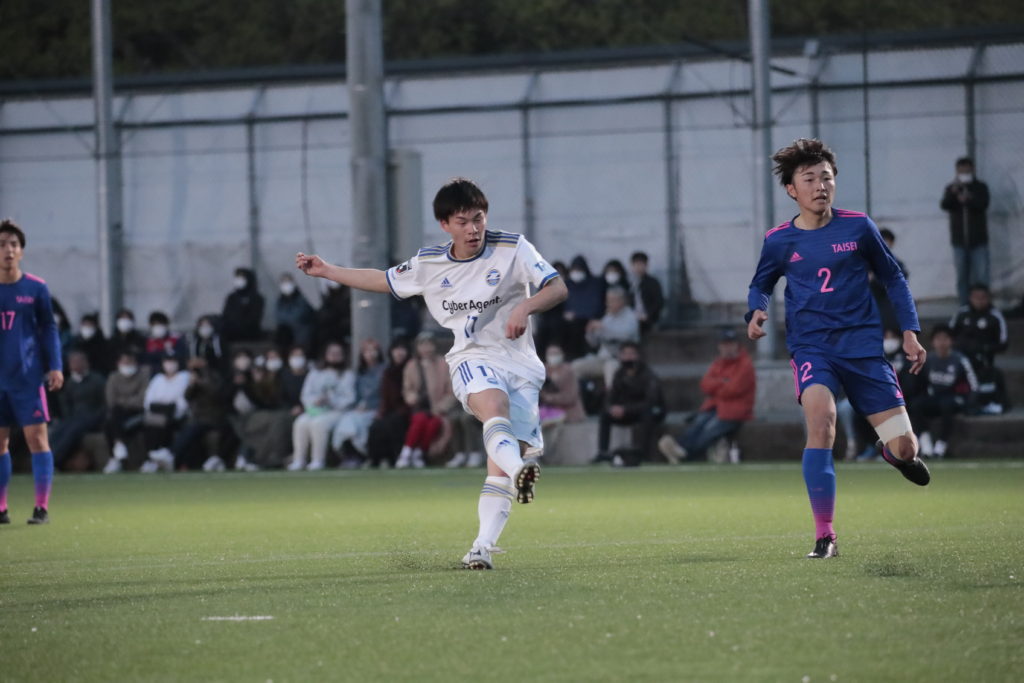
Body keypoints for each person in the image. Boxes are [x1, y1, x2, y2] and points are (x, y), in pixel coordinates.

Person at [296, 176, 567, 569]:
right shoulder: (430, 263)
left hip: (521, 363)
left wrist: (525, 307)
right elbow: (382, 280)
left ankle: (481, 547)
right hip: (472, 356)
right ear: (445, 225)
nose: (473, 229)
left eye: (479, 218)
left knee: (501, 462)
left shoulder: (513, 247)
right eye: (463, 222)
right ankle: (520, 468)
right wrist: (327, 271)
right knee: (495, 409)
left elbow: (556, 288)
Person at [745, 138, 931, 560]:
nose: (820, 186)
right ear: (792, 189)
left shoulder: (858, 227)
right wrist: (755, 310)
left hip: (863, 349)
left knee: (907, 449)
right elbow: (761, 283)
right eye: (809, 179)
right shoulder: (779, 240)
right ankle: (825, 535)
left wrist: (910, 331)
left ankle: (893, 455)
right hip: (813, 347)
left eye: (826, 178)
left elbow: (894, 278)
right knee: (822, 420)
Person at [0, 219, 64, 525]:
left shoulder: (36, 288)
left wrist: (56, 366)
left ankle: (41, 508)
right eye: (2, 245)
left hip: (27, 379)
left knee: (37, 440)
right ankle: (1, 508)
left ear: (22, 251)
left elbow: (49, 328)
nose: (8, 250)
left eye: (14, 244)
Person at [658, 328, 755, 463]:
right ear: (719, 346)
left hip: (735, 411)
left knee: (710, 430)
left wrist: (717, 385)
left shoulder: (745, 364)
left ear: (736, 345)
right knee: (698, 423)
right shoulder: (718, 363)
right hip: (716, 406)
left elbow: (734, 389)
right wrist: (723, 383)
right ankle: (679, 448)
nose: (727, 348)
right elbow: (705, 384)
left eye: (730, 344)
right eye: (724, 344)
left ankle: (684, 454)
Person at [909, 324, 978, 459]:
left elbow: (974, 385)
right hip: (935, 397)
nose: (941, 343)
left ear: (951, 341)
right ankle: (926, 444)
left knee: (947, 405)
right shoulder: (928, 359)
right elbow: (917, 383)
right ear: (933, 342)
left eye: (945, 339)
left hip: (954, 398)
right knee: (916, 405)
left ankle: (941, 445)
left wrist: (970, 403)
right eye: (938, 339)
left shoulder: (960, 360)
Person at [592, 342, 665, 467]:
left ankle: (643, 454)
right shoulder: (619, 374)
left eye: (631, 354)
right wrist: (612, 408)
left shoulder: (648, 375)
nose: (628, 357)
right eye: (625, 354)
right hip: (625, 412)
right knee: (604, 414)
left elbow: (651, 401)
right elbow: (611, 397)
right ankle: (603, 452)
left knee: (647, 415)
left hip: (645, 411)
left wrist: (626, 409)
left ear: (638, 356)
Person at [288, 341, 355, 471]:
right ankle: (299, 460)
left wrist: (331, 400)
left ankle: (318, 460)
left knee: (318, 424)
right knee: (300, 422)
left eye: (338, 353)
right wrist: (315, 401)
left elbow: (349, 398)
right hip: (315, 410)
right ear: (325, 355)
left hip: (337, 411)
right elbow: (306, 394)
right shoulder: (315, 373)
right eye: (331, 353)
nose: (334, 356)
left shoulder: (347, 374)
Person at [397, 332, 456, 469]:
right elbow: (407, 389)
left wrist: (441, 407)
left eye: (429, 345)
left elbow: (451, 392)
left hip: (438, 408)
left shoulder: (443, 364)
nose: (426, 349)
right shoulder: (412, 365)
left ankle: (418, 453)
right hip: (418, 407)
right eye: (423, 345)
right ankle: (406, 452)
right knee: (420, 420)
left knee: (434, 423)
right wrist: (411, 397)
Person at [949, 283, 1010, 414]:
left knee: (988, 375)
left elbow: (1003, 343)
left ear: (988, 298)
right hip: (961, 357)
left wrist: (985, 348)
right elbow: (949, 334)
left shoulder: (995, 316)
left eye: (983, 297)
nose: (979, 301)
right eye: (976, 297)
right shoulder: (962, 313)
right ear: (970, 298)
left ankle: (987, 402)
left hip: (984, 359)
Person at [940, 157, 991, 305]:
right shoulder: (951, 188)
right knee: (962, 277)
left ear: (973, 170)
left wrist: (969, 199)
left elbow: (983, 204)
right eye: (961, 171)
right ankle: (965, 306)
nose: (964, 174)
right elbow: (944, 205)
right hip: (959, 241)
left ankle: (983, 306)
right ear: (957, 171)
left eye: (967, 171)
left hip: (979, 241)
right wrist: (953, 193)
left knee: (981, 277)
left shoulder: (980, 187)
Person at [571, 285, 640, 388]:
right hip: (602, 358)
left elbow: (625, 335)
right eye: (608, 300)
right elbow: (594, 343)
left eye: (612, 300)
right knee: (574, 367)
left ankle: (613, 398)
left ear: (622, 301)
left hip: (620, 360)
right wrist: (590, 332)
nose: (608, 303)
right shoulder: (608, 317)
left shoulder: (630, 316)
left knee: (611, 370)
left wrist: (603, 327)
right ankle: (585, 393)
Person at [332, 338, 386, 468]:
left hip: (377, 410)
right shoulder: (360, 373)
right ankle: (351, 455)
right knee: (347, 420)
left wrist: (375, 408)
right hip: (359, 409)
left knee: (356, 423)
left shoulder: (384, 371)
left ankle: (363, 455)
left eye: (373, 350)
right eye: (366, 351)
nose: (370, 354)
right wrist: (358, 406)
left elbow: (385, 394)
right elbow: (355, 395)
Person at [49, 350, 106, 469]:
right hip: (74, 418)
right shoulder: (69, 383)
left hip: (92, 418)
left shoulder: (97, 380)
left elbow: (104, 404)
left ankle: (55, 460)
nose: (75, 365)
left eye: (78, 361)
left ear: (86, 362)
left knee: (72, 431)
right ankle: (49, 458)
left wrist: (96, 417)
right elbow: (65, 405)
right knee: (58, 430)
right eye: (72, 362)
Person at [139, 352, 189, 473]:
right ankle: (152, 458)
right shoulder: (158, 379)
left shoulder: (184, 377)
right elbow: (148, 400)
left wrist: (170, 408)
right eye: (167, 361)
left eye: (173, 361)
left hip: (177, 414)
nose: (170, 365)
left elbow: (182, 401)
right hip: (156, 412)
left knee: (164, 421)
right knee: (150, 422)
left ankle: (163, 455)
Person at [102, 351, 151, 473]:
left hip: (137, 413)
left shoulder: (143, 376)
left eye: (130, 362)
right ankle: (118, 450)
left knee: (113, 421)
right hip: (118, 414)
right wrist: (129, 400)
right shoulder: (113, 377)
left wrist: (122, 401)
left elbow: (142, 400)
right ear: (118, 363)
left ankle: (117, 452)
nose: (128, 365)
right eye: (125, 362)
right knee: (111, 419)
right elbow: (111, 400)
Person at [366, 339, 412, 469]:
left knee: (394, 423)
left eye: (402, 349)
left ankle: (395, 458)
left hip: (407, 409)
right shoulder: (388, 372)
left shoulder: (411, 368)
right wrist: (381, 413)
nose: (399, 352)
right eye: (396, 349)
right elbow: (385, 397)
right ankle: (375, 459)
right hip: (391, 410)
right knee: (376, 426)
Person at [561, 255, 604, 360]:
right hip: (571, 323)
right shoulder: (567, 284)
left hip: (592, 320)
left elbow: (596, 304)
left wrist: (590, 317)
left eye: (579, 270)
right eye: (574, 270)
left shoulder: (594, 284)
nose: (576, 272)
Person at [869, 229, 908, 333]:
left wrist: (875, 279)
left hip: (890, 314)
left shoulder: (897, 264)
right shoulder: (865, 263)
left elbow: (899, 283)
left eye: (887, 241)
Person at [221, 267, 265, 345]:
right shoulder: (231, 297)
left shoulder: (257, 298)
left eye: (242, 278)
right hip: (231, 335)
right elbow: (226, 314)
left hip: (250, 336)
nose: (239, 280)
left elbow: (254, 318)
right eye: (237, 277)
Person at [274, 273, 316, 352]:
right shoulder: (280, 300)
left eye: (288, 282)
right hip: (286, 337)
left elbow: (297, 316)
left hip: (301, 336)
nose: (286, 285)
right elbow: (278, 317)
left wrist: (286, 319)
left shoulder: (302, 299)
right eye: (283, 282)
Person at [629, 251, 665, 337]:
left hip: (649, 319)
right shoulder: (630, 282)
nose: (638, 267)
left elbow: (659, 302)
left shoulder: (653, 282)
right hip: (632, 318)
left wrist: (647, 315)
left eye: (641, 264)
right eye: (636, 264)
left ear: (646, 265)